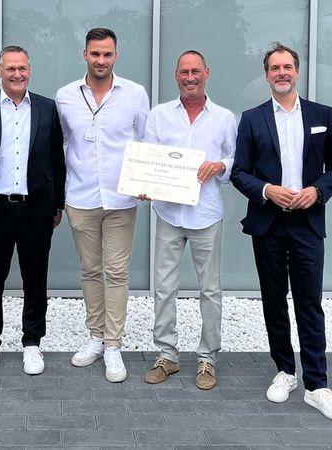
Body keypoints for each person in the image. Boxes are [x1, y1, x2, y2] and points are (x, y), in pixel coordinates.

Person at [231, 42, 332, 422]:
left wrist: (317, 191)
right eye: (274, 68)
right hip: (268, 221)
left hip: (307, 222)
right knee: (273, 300)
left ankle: (317, 384)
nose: (281, 73)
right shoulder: (251, 118)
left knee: (309, 302)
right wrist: (268, 190)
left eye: (287, 66)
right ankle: (285, 371)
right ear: (266, 75)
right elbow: (239, 173)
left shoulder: (322, 115)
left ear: (296, 72)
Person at [0, 45, 65, 378]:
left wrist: (57, 203)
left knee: (36, 279)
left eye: (22, 68)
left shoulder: (48, 109)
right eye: (11, 69)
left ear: (30, 70)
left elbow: (56, 160)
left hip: (36, 209)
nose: (17, 74)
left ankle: (32, 343)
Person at [55, 27, 149, 382]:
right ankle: (95, 337)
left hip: (122, 199)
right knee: (91, 270)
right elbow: (57, 144)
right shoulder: (65, 96)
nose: (101, 60)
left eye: (107, 54)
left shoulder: (135, 94)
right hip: (80, 197)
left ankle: (113, 345)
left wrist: (147, 182)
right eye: (95, 54)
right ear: (85, 55)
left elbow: (148, 141)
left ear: (115, 56)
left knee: (117, 272)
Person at [140, 51, 235, 390]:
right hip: (167, 213)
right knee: (164, 287)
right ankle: (167, 355)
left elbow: (236, 158)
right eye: (184, 71)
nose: (190, 77)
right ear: (176, 75)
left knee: (210, 290)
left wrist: (221, 166)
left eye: (196, 71)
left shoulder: (224, 118)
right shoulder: (159, 115)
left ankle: (207, 359)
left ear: (207, 73)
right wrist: (143, 185)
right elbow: (148, 159)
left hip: (206, 214)